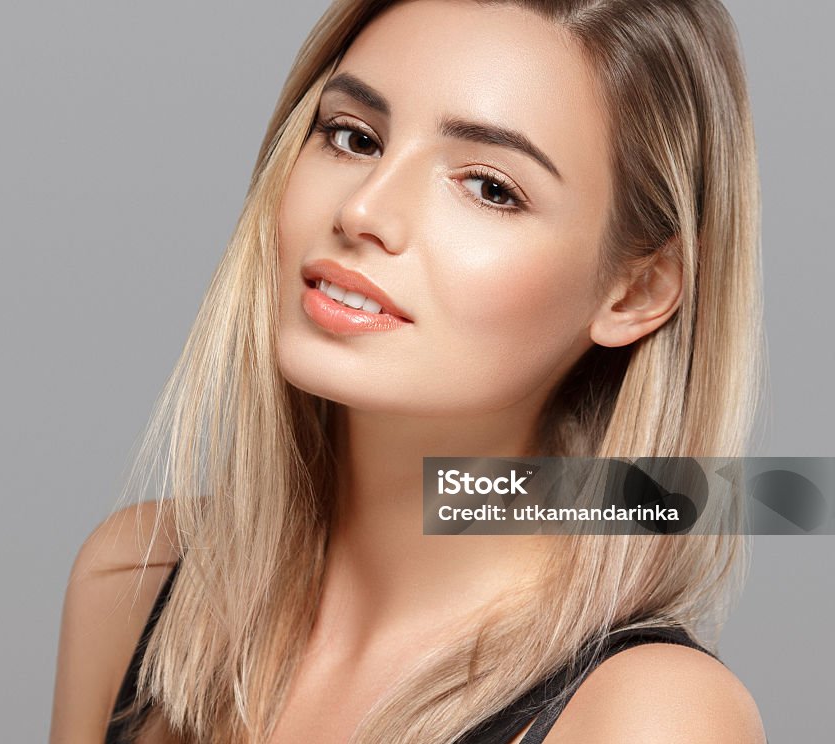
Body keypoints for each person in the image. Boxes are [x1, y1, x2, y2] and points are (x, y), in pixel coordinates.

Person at [50, 0, 768, 741]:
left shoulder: (649, 716)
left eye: (490, 187)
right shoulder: (133, 584)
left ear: (636, 291)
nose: (364, 209)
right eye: (353, 137)